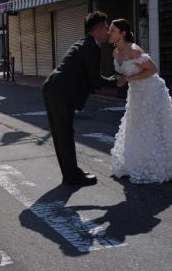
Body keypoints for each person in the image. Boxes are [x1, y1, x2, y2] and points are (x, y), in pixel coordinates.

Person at [108, 18, 172, 183]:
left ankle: (158, 166)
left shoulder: (134, 50)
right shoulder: (115, 52)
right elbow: (126, 74)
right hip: (136, 92)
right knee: (136, 125)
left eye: (112, 30)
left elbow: (153, 69)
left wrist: (128, 79)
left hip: (151, 91)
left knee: (151, 127)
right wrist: (123, 79)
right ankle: (136, 164)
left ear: (123, 34)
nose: (109, 33)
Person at [42, 11, 121, 186]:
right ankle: (71, 176)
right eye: (106, 26)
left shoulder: (87, 43)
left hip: (57, 90)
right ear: (98, 29)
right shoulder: (91, 47)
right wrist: (116, 81)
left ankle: (71, 172)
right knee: (64, 135)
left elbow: (89, 78)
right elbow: (95, 79)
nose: (108, 30)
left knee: (65, 134)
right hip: (58, 92)